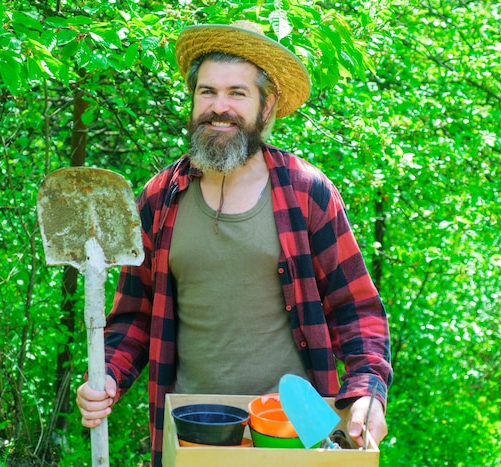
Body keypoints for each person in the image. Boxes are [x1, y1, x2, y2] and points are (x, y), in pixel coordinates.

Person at [76, 20, 392, 466]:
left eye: (237, 94)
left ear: (266, 108)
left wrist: (368, 389)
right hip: (191, 433)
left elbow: (355, 309)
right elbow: (134, 316)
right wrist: (106, 375)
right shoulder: (159, 198)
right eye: (207, 92)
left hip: (292, 435)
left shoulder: (306, 192)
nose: (218, 107)